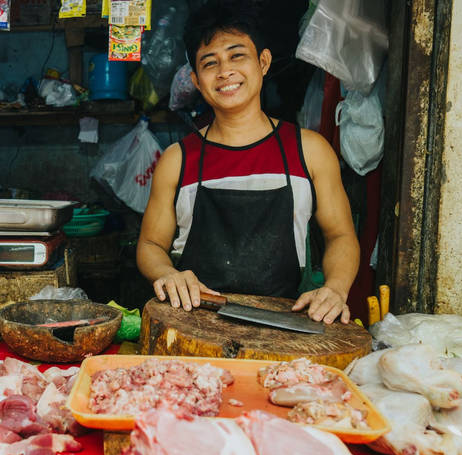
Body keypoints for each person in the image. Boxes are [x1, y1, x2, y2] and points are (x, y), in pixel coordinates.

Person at [136, 0, 359, 324]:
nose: (225, 71)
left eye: (237, 55)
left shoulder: (309, 150)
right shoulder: (177, 160)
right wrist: (167, 273)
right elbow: (150, 244)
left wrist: (336, 289)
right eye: (210, 63)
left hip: (287, 326)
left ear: (263, 62)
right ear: (197, 80)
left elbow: (341, 235)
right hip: (193, 325)